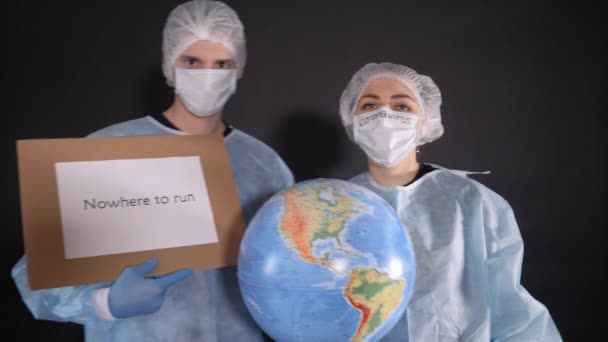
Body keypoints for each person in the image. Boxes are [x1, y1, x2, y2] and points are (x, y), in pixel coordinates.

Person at [12, 1, 293, 341]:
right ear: (169, 61)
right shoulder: (104, 151)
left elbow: (288, 275)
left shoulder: (265, 166)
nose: (207, 75)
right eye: (192, 61)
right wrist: (105, 303)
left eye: (222, 64)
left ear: (238, 69)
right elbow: (37, 275)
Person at [339, 62, 562, 341]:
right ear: (352, 120)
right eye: (369, 106)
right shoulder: (338, 207)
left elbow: (511, 311)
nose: (384, 116)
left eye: (403, 107)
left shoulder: (473, 202)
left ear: (425, 123)